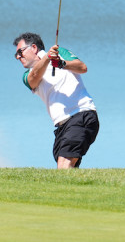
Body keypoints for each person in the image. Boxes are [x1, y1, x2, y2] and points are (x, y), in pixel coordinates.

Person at [13, 32, 99, 169]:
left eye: (20, 52)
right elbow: (34, 77)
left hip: (81, 114)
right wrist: (47, 58)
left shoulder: (61, 53)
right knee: (68, 169)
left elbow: (82, 68)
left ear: (34, 48)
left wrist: (61, 63)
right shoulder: (27, 75)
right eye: (16, 54)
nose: (18, 57)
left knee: (64, 165)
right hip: (62, 126)